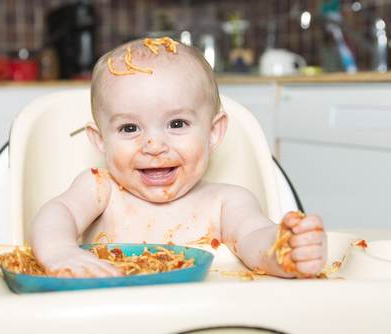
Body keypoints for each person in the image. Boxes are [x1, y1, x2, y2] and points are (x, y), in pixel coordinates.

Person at [29, 37, 327, 278]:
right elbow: (58, 213)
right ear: (101, 142)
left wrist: (285, 251)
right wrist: (59, 251)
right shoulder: (100, 190)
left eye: (177, 124)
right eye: (129, 128)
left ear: (212, 133)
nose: (154, 145)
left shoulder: (225, 202)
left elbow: (254, 237)